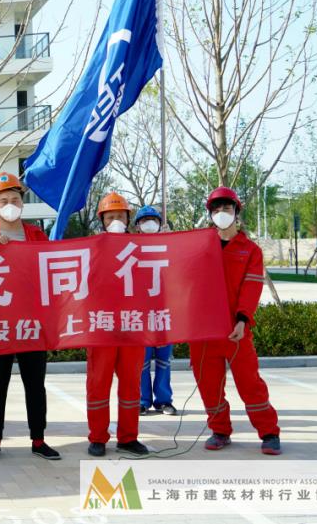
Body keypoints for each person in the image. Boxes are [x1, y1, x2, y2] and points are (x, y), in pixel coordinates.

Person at [0, 173, 60, 461]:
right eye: (4, 200)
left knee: (35, 384)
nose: (10, 205)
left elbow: (50, 273)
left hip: (31, 323)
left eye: (15, 200)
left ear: (22, 203)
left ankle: (38, 439)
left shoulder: (37, 236)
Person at [192, 187, 281, 455]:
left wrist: (243, 319)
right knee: (209, 384)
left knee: (250, 383)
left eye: (227, 208)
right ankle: (219, 430)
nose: (222, 213)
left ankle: (269, 432)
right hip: (204, 332)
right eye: (216, 209)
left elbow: (251, 287)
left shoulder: (250, 250)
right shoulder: (199, 248)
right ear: (210, 214)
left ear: (236, 212)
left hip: (236, 330)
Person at [85, 192, 149, 457]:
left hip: (133, 326)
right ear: (102, 220)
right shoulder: (91, 249)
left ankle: (128, 437)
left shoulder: (142, 249)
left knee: (131, 384)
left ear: (128, 219)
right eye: (110, 217)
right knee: (98, 383)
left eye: (120, 216)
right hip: (101, 327)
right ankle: (97, 437)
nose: (115, 221)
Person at [134, 205, 177, 417]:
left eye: (153, 220)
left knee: (163, 361)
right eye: (144, 220)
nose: (149, 224)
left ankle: (163, 400)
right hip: (140, 315)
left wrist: (172, 242)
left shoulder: (168, 247)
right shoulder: (130, 249)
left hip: (163, 313)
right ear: (137, 226)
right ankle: (142, 401)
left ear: (160, 224)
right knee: (141, 362)